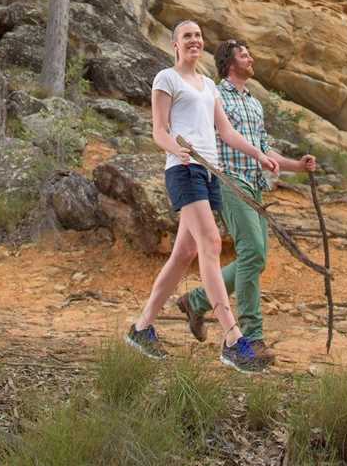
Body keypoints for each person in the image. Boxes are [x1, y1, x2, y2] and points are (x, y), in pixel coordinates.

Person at [125, 21, 279, 373]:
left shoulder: (208, 85)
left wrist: (259, 155)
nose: (194, 40)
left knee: (185, 253)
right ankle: (233, 340)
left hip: (209, 173)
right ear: (175, 44)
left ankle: (141, 328)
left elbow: (226, 132)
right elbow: (159, 131)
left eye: (198, 36)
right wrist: (175, 151)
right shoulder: (167, 78)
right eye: (187, 36)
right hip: (183, 170)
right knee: (210, 242)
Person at [176, 39, 317, 366]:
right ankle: (250, 337)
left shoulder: (254, 104)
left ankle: (196, 300)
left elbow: (264, 148)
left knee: (257, 259)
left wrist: (296, 165)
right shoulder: (214, 95)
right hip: (227, 181)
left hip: (254, 186)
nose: (251, 58)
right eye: (244, 55)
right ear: (229, 62)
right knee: (252, 252)